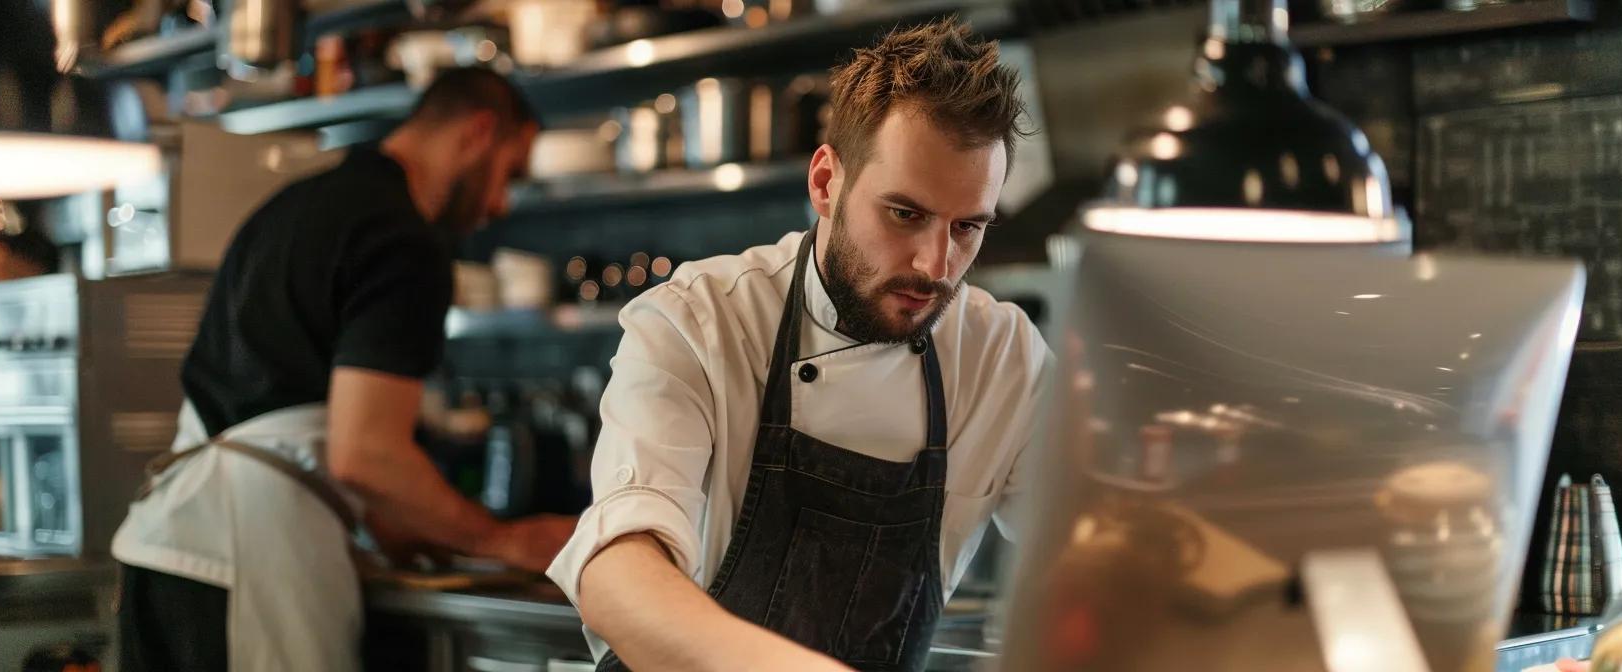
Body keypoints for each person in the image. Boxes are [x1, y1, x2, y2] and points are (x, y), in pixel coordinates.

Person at [546, 18, 1050, 672]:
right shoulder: (699, 323)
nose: (935, 264)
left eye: (967, 227)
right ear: (825, 184)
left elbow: (1102, 549)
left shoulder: (1001, 358)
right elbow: (615, 574)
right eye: (906, 214)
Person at [110, 67, 575, 672]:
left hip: (165, 548)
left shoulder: (298, 204)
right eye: (507, 175)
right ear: (478, 132)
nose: (499, 204)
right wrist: (502, 540)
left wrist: (415, 525)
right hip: (249, 560)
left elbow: (278, 404)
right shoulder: (403, 238)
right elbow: (365, 456)